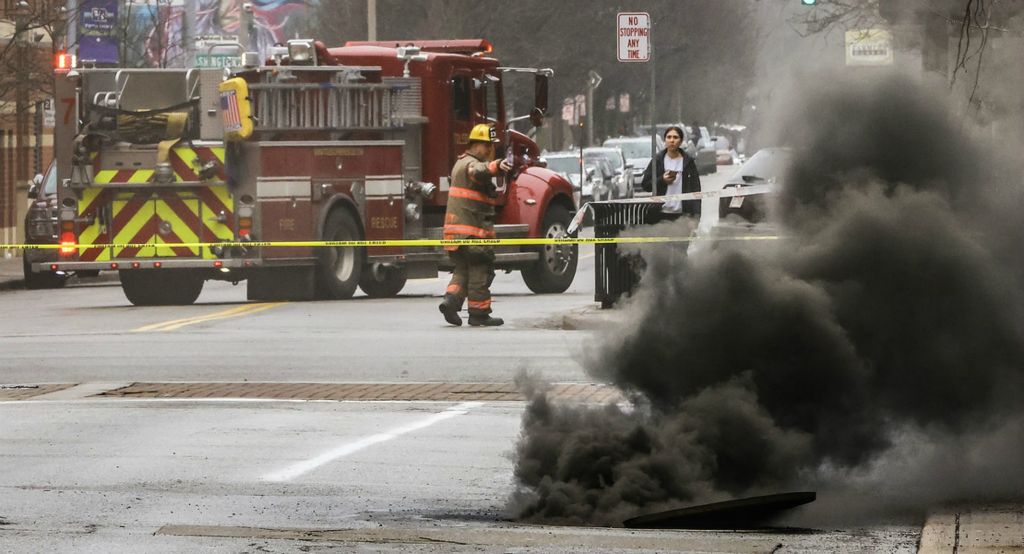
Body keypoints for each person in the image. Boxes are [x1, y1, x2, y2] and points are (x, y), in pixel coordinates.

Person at [438, 123, 512, 327]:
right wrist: (496, 166)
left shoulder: (458, 163)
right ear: (478, 145)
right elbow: (478, 171)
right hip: (473, 234)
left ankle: (450, 302)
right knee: (481, 269)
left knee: (463, 269)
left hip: (455, 233)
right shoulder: (471, 164)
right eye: (489, 145)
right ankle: (479, 314)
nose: (491, 150)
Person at [640, 125, 701, 218]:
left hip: (683, 216)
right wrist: (662, 180)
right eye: (669, 137)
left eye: (675, 137)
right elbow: (646, 185)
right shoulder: (657, 160)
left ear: (680, 141)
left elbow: (696, 190)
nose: (672, 140)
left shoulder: (688, 162)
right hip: (661, 214)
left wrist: (696, 215)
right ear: (664, 141)